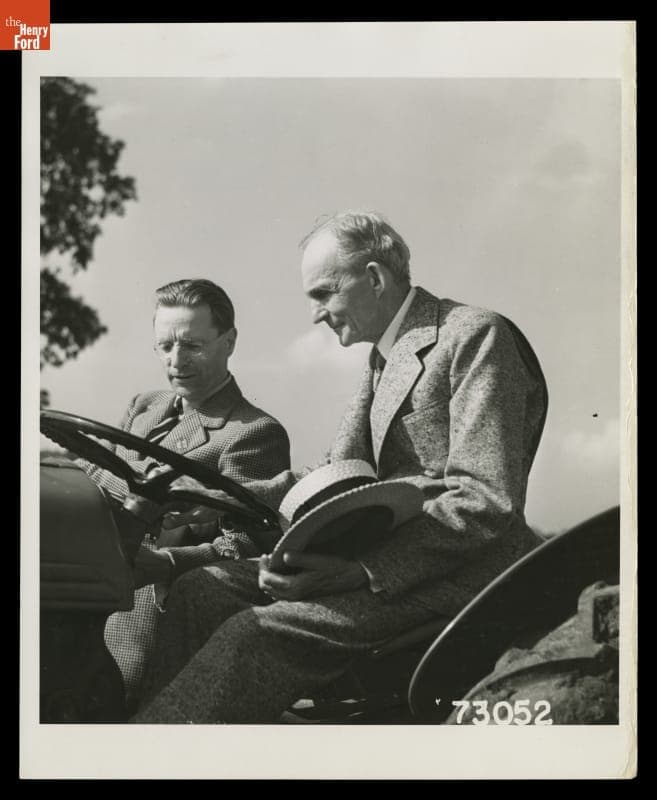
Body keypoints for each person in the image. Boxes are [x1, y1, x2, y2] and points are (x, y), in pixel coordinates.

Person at [133, 212, 548, 724]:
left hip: (454, 576)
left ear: (373, 278)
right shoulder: (386, 358)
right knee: (202, 589)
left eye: (322, 293)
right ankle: (144, 741)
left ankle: (156, 756)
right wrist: (212, 495)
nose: (315, 315)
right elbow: (332, 478)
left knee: (256, 636)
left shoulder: (474, 336)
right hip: (380, 564)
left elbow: (486, 500)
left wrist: (358, 572)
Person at [79, 278, 290, 707]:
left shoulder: (251, 434)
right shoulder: (144, 406)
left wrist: (165, 562)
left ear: (229, 341)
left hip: (150, 613)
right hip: (83, 583)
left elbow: (248, 545)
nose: (176, 360)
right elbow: (90, 471)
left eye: (192, 345)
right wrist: (137, 493)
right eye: (165, 346)